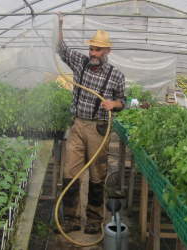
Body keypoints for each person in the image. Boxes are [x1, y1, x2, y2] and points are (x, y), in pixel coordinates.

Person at [56, 14, 126, 234]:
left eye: (98, 50)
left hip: (99, 129)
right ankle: (71, 218)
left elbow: (124, 102)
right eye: (92, 48)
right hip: (77, 126)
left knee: (97, 175)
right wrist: (59, 25)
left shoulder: (116, 75)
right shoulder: (80, 63)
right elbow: (61, 48)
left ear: (107, 52)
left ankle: (94, 220)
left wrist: (113, 103)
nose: (93, 53)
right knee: (70, 172)